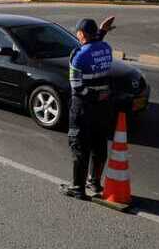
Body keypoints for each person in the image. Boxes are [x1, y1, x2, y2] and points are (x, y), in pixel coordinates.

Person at [60, 18, 114, 200]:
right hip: (103, 108)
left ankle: (77, 187)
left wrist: (92, 96)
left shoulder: (79, 55)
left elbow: (77, 86)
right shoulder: (106, 48)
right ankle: (95, 182)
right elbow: (96, 45)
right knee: (99, 146)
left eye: (78, 33)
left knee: (79, 146)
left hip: (84, 107)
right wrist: (102, 32)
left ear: (81, 34)